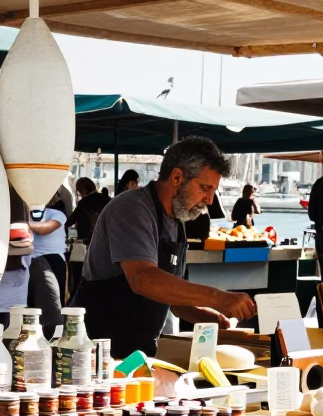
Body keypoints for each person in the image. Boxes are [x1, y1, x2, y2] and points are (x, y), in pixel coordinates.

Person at [71, 136, 256, 358]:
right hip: (95, 352)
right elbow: (143, 279)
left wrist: (213, 317)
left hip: (137, 355)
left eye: (212, 191)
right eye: (204, 187)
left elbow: (173, 301)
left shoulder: (177, 223)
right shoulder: (132, 208)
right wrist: (218, 298)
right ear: (177, 176)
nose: (209, 199)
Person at [28, 192, 68, 335]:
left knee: (53, 300)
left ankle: (54, 333)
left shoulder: (57, 214)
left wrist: (24, 223)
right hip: (30, 261)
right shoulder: (26, 213)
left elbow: (45, 229)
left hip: (52, 260)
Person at [65, 177, 110, 244]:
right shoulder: (107, 199)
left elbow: (70, 221)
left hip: (88, 240)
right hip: (106, 238)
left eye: (79, 191)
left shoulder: (84, 203)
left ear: (83, 190)